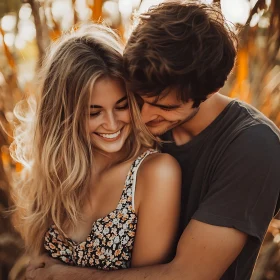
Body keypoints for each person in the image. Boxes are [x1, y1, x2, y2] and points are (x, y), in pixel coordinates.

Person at [26, 1, 280, 280]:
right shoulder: (125, 126)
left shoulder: (254, 148)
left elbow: (188, 275)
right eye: (137, 98)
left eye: (164, 107)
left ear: (210, 90)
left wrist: (62, 275)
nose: (143, 117)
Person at [11, 24, 181, 271]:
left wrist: (61, 276)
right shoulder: (56, 174)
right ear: (64, 115)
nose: (112, 124)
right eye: (94, 112)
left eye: (121, 106)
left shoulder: (154, 174)